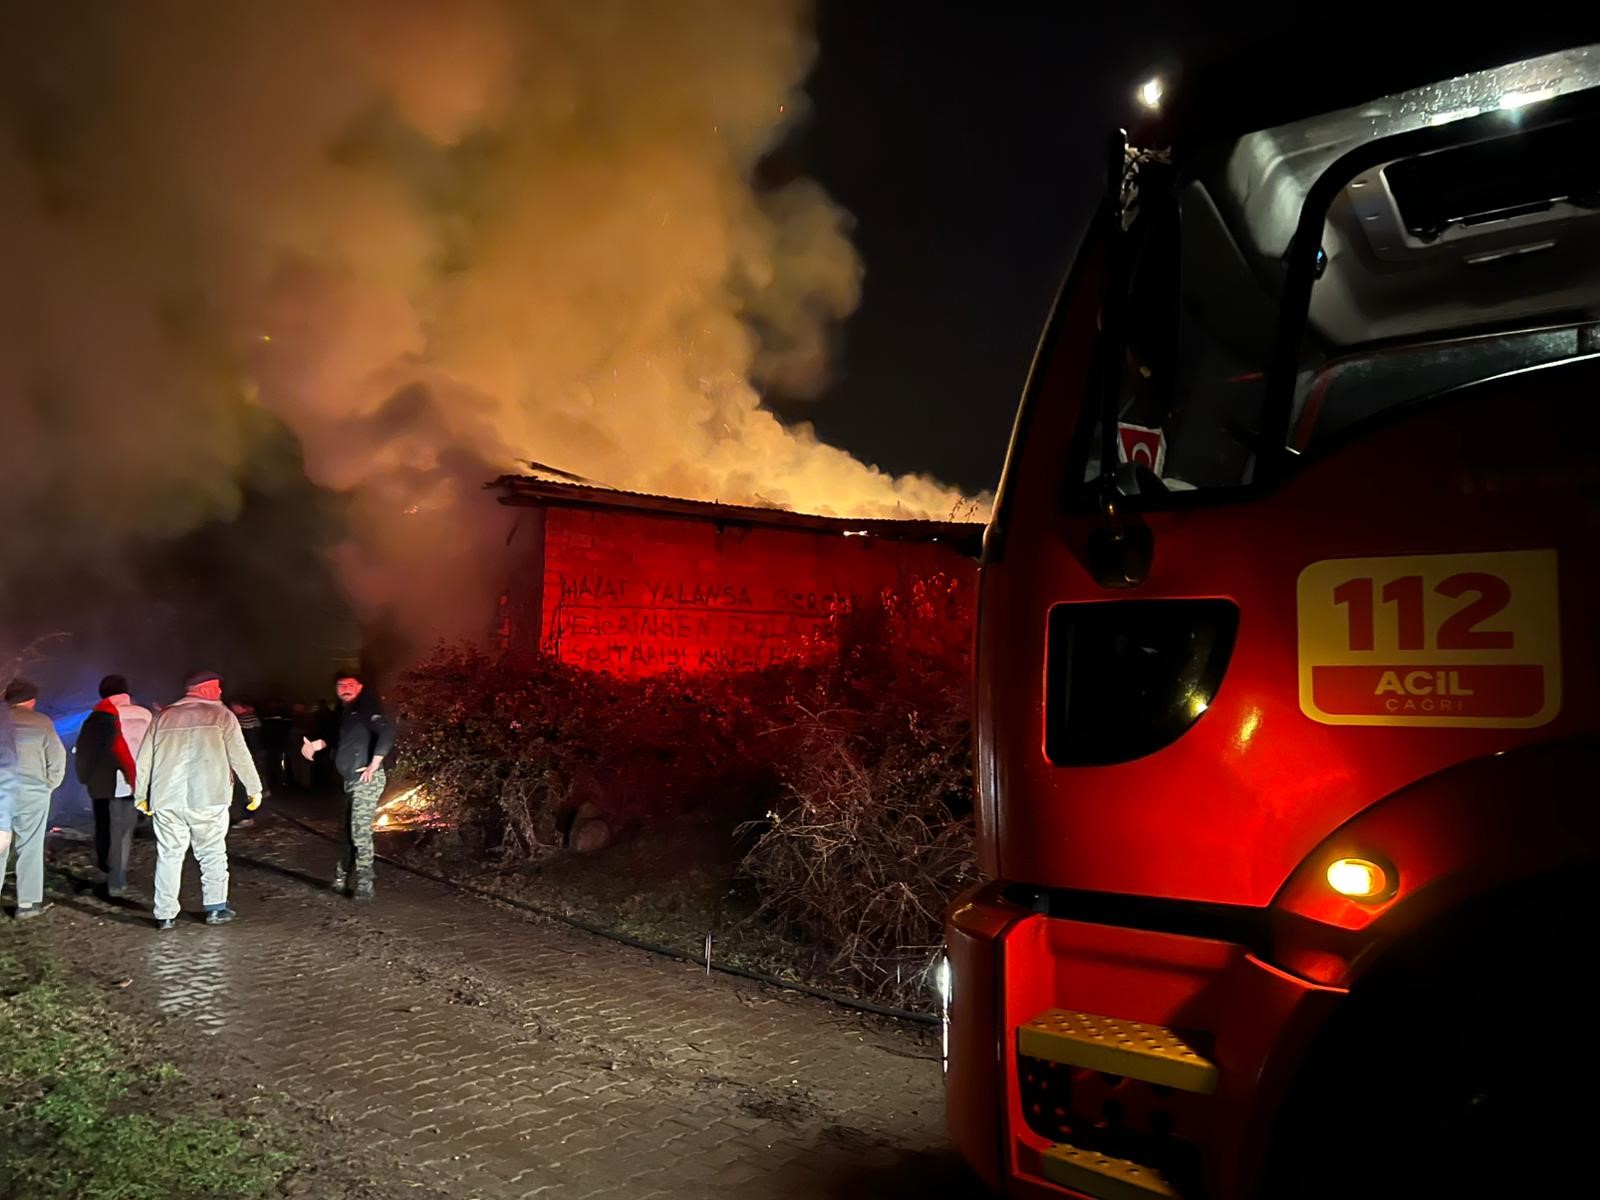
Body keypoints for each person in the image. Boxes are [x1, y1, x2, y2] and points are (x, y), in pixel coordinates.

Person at [135, 670, 262, 930]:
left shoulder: (164, 716)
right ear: (204, 689)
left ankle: (165, 913)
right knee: (212, 853)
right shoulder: (221, 715)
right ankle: (215, 908)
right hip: (209, 797)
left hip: (167, 797)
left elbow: (144, 759)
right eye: (217, 688)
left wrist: (141, 795)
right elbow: (240, 754)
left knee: (169, 855)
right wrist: (254, 788)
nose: (220, 693)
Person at [302, 671, 394, 901]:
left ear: (360, 687)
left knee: (360, 831)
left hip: (366, 780)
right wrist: (315, 745)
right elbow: (337, 738)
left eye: (351, 684)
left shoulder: (366, 707)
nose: (345, 688)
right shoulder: (346, 712)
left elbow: (387, 731)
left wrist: (375, 763)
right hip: (349, 780)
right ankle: (341, 875)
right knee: (348, 831)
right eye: (341, 685)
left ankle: (365, 882)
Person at [74, 674, 153, 899]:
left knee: (107, 829)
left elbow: (86, 752)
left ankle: (115, 880)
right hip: (138, 782)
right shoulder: (145, 715)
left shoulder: (99, 717)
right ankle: (116, 874)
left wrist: (84, 778)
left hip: (106, 783)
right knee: (124, 831)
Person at [3, 679, 66, 919]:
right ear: (30, 701)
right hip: (33, 793)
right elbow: (57, 760)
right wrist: (48, 786)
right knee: (30, 846)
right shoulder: (42, 722)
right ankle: (27, 904)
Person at [228, 701, 266, 828]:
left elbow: (242, 741)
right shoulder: (253, 718)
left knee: (242, 787)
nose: (233, 708)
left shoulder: (242, 720)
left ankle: (245, 816)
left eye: (235, 706)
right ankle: (245, 815)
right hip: (250, 755)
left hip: (244, 756)